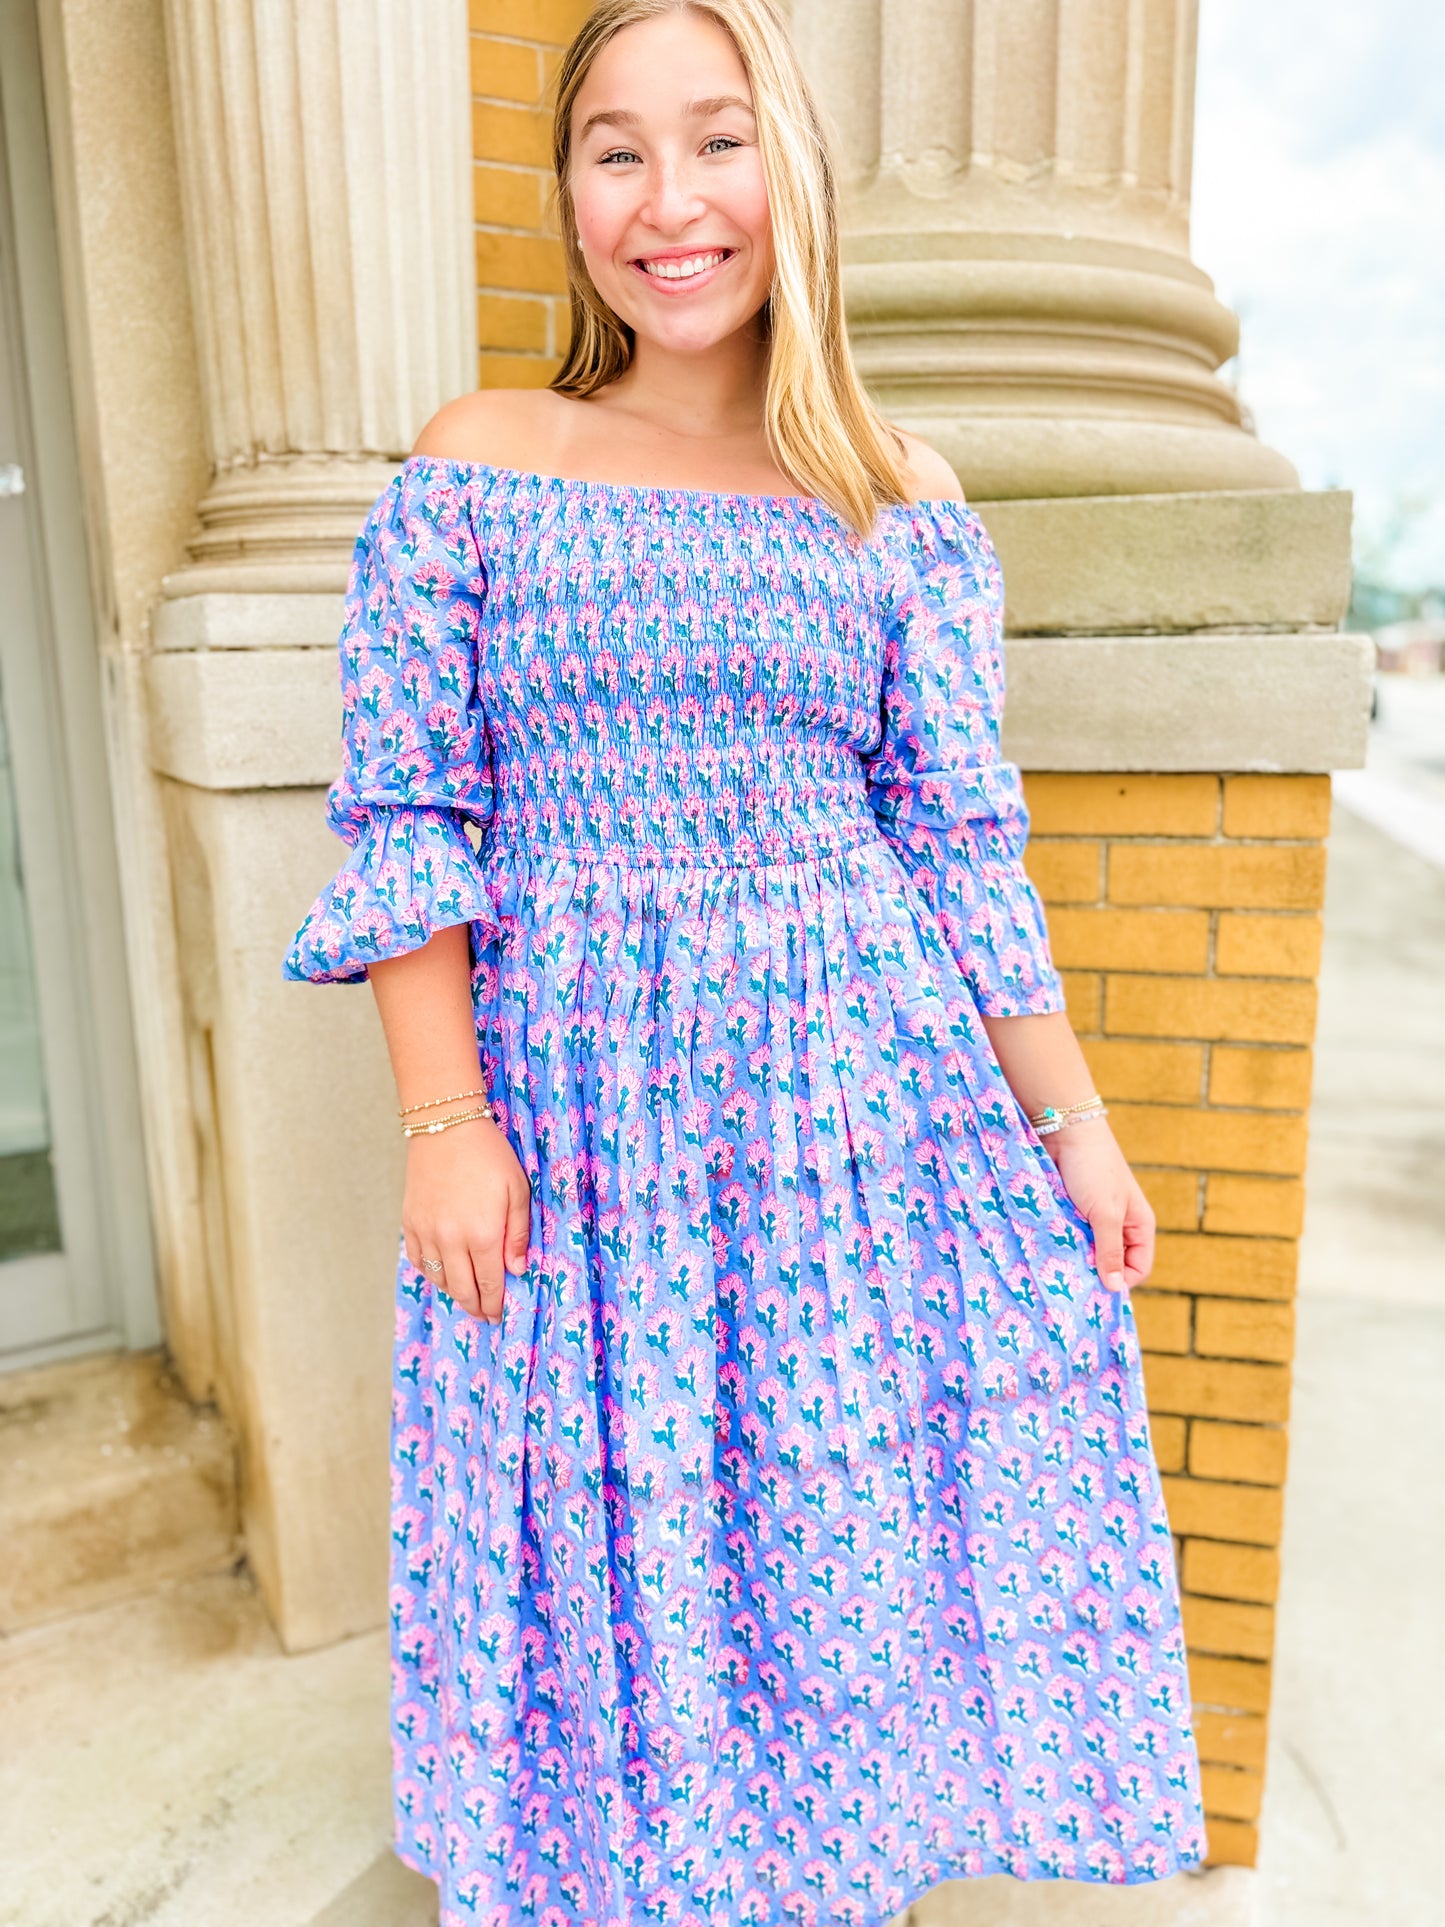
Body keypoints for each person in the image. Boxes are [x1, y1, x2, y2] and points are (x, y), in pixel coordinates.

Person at [284, 1, 1208, 1919]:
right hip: (578, 1113)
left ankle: (827, 1878)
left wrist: (1077, 1129)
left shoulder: (899, 498)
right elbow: (408, 817)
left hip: (860, 1115)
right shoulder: (482, 460)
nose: (668, 198)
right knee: (605, 1545)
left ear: (789, 171)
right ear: (568, 196)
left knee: (827, 1547)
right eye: (615, 149)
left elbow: (959, 847)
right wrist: (442, 1117)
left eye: (716, 141)